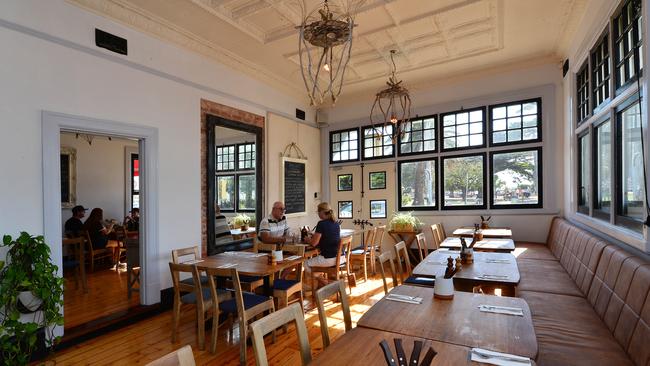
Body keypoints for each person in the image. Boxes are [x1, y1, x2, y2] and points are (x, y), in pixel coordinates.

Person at [304, 202, 341, 280]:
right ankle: (321, 282)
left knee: (305, 263)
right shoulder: (336, 223)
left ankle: (324, 282)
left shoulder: (321, 223)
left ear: (322, 212)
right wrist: (314, 235)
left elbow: (314, 243)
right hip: (340, 257)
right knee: (315, 264)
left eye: (318, 211)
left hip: (329, 259)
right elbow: (328, 236)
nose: (318, 214)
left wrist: (307, 239)